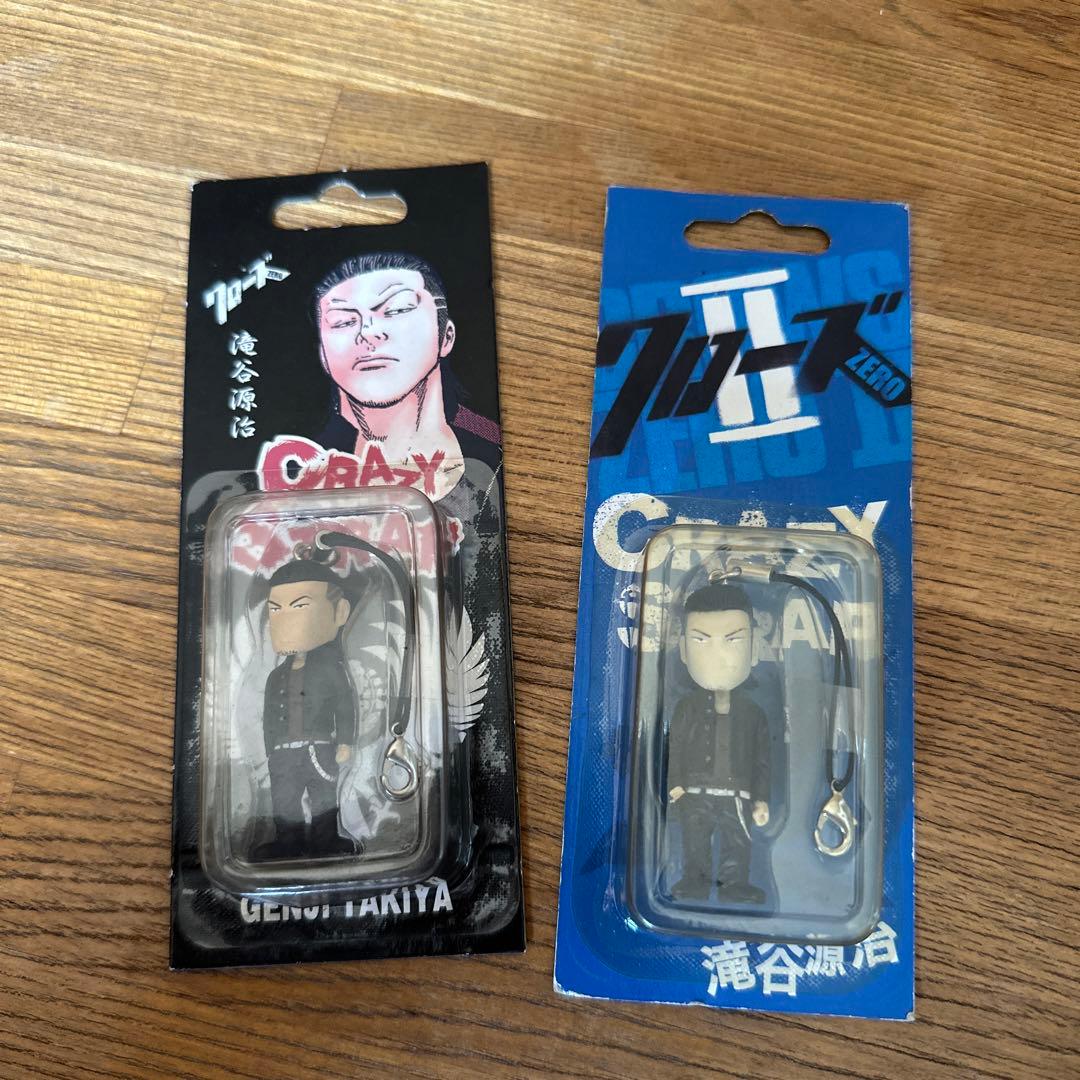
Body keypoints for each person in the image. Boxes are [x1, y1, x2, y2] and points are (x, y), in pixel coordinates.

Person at [313, 252, 501, 502]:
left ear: (446, 336)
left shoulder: (494, 450)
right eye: (343, 321)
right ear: (323, 356)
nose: (368, 332)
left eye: (397, 309)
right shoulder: (296, 466)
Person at [666, 580, 771, 903]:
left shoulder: (753, 714)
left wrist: (761, 799)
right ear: (683, 650)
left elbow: (762, 761)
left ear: (754, 649)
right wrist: (674, 783)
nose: (719, 655)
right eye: (701, 640)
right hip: (695, 792)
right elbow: (675, 748)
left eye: (733, 640)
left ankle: (734, 885)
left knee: (738, 841)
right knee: (695, 840)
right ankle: (693, 882)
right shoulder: (686, 708)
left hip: (737, 795)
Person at [259, 556, 357, 859]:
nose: (285, 620)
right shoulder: (276, 675)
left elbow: (345, 703)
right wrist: (271, 750)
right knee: (284, 801)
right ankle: (288, 843)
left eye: (300, 606)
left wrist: (345, 741)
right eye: (275, 609)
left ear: (340, 612)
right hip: (284, 754)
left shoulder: (330, 668)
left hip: (320, 749)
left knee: (324, 798)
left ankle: (325, 843)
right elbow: (268, 717)